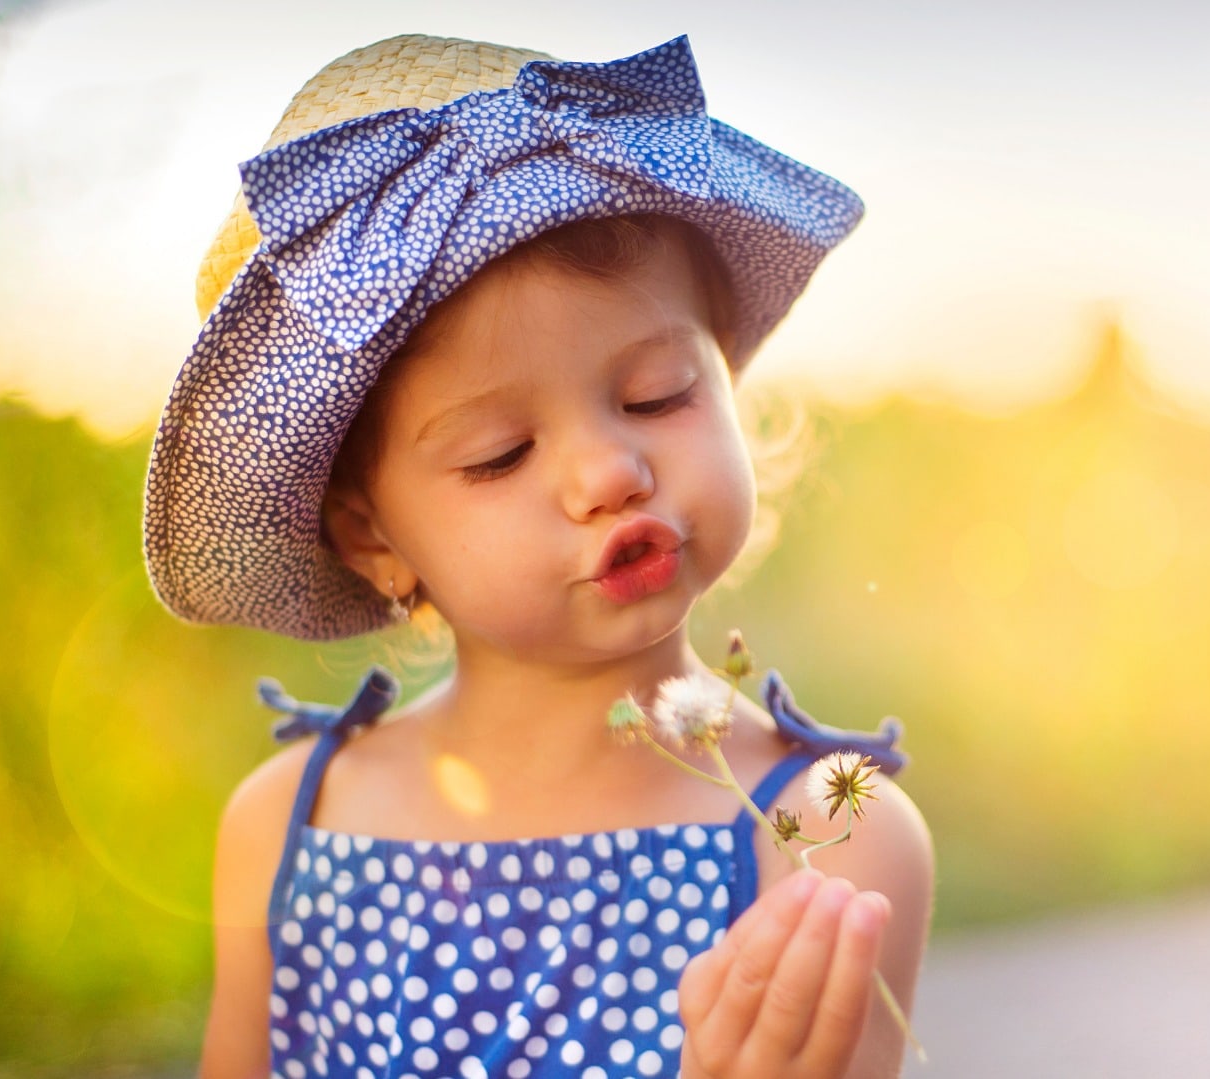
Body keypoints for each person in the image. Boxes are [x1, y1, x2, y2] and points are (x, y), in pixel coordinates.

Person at [140, 32, 932, 1079]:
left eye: (659, 394)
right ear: (373, 534)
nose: (610, 470)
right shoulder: (290, 820)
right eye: (499, 453)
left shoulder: (825, 829)